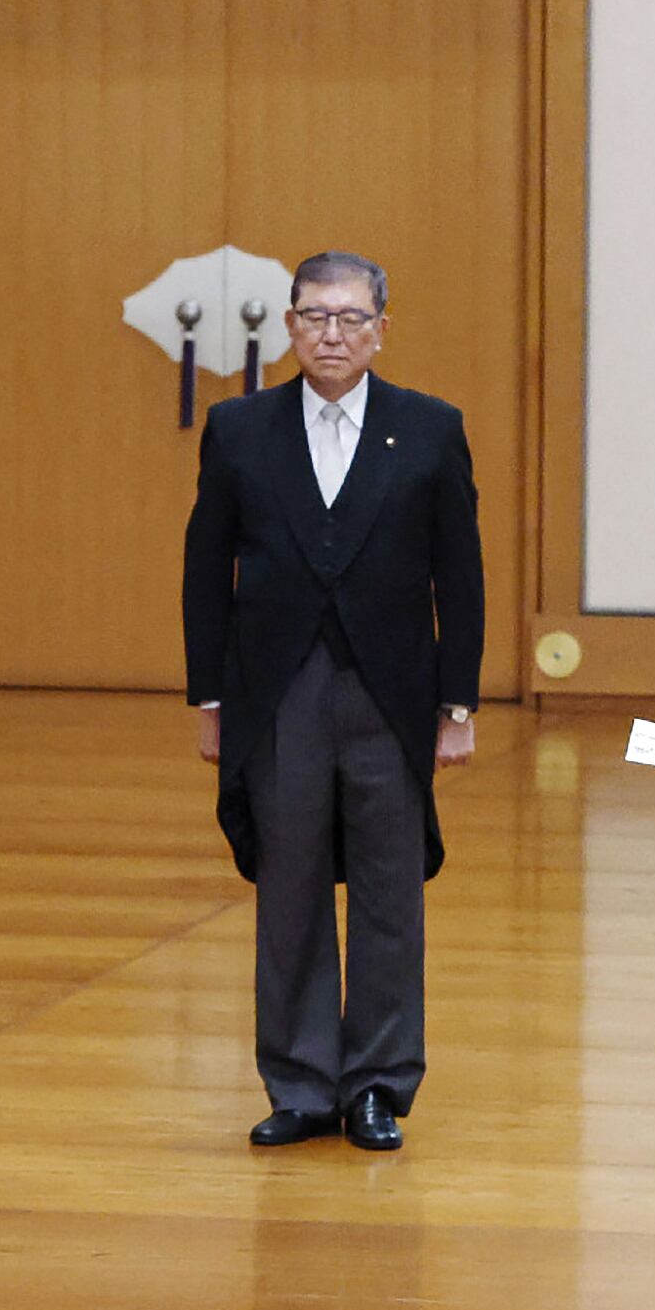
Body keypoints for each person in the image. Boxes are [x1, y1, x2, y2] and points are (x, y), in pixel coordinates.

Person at [182, 250, 484, 1152]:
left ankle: (379, 1084)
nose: (332, 334)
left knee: (391, 891)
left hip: (392, 693)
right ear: (289, 326)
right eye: (315, 316)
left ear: (381, 329)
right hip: (278, 692)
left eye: (352, 318)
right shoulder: (240, 428)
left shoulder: (429, 428)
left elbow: (460, 576)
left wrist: (458, 706)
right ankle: (302, 1083)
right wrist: (209, 696)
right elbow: (206, 570)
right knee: (291, 885)